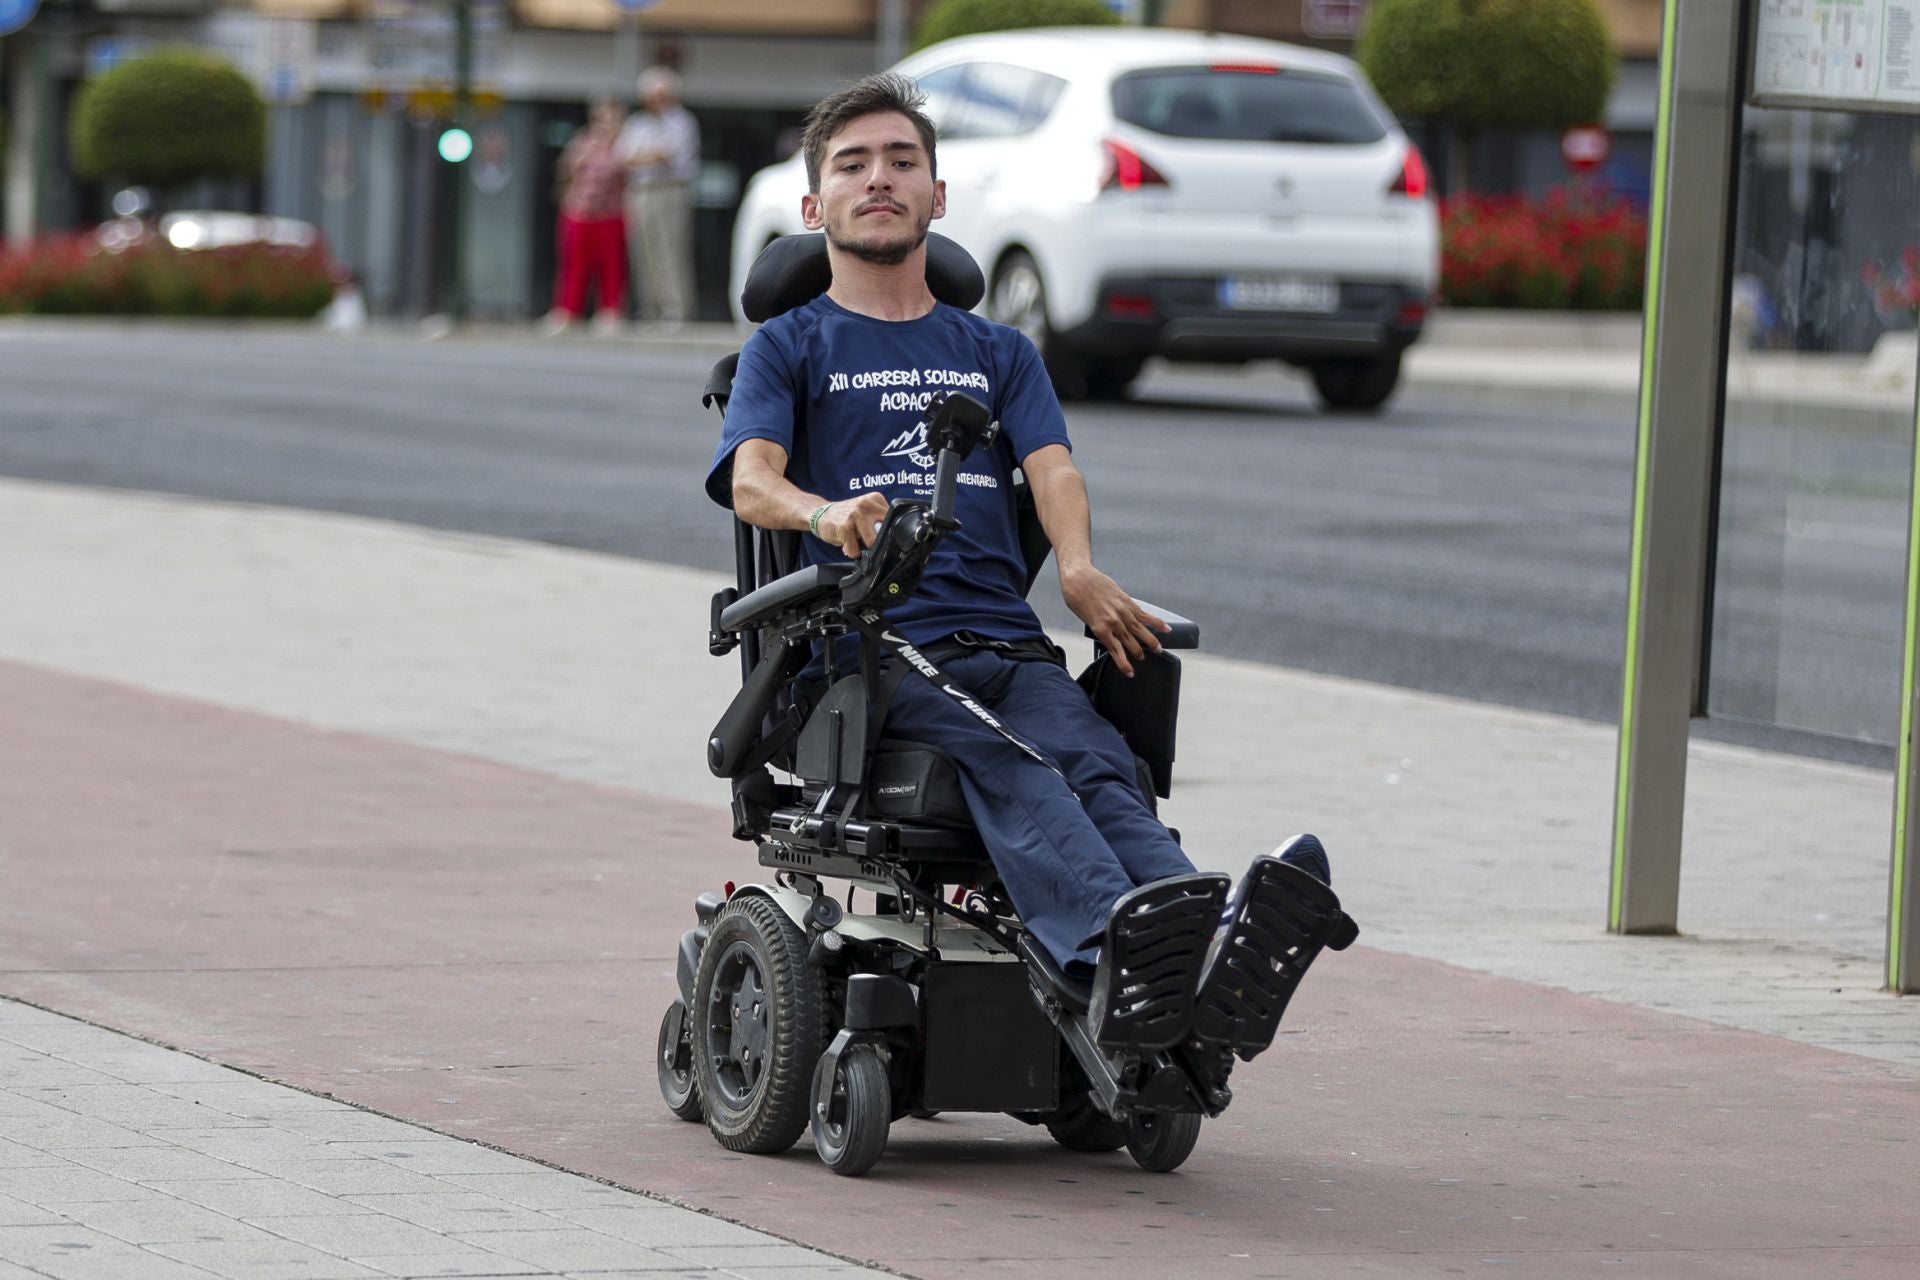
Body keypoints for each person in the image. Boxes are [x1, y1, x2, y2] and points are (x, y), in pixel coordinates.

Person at [706, 74, 1329, 1051]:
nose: (880, 179)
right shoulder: (788, 345)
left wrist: (1078, 568)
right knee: (1022, 763)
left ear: (938, 198)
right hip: (870, 654)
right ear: (813, 205)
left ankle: (1205, 962)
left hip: (1004, 642)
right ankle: (1109, 957)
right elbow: (752, 481)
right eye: (854, 164)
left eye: (903, 162)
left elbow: (1054, 469)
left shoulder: (999, 350)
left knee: (1103, 761)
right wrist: (824, 514)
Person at [620, 66, 701, 328]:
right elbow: (623, 157)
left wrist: (643, 157)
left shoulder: (682, 121)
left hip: (670, 189)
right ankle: (649, 307)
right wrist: (649, 157)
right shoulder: (637, 122)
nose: (657, 99)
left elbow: (667, 156)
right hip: (641, 191)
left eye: (662, 93)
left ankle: (675, 308)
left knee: (670, 249)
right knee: (643, 249)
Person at [545, 99, 630, 337]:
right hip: (579, 212)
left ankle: (610, 311)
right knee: (574, 264)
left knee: (611, 265)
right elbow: (566, 169)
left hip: (610, 213)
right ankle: (568, 311)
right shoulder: (583, 141)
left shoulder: (625, 145)